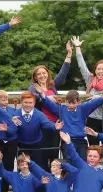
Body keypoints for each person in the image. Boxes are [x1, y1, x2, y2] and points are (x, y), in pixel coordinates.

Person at [71, 35, 103, 176]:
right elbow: (81, 65)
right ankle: (91, 175)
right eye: (98, 69)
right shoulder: (90, 79)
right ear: (95, 70)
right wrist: (78, 48)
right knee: (92, 149)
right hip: (92, 119)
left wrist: (98, 97)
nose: (100, 71)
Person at [34, 87, 103, 160]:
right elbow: (50, 105)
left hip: (81, 141)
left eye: (73, 103)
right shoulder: (61, 109)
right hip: (67, 141)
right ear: (65, 101)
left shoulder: (83, 109)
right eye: (69, 103)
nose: (71, 105)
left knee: (82, 162)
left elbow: (93, 104)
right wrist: (42, 95)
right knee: (69, 162)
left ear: (78, 102)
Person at [28, 42, 72, 171]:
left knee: (53, 152)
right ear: (35, 78)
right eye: (39, 74)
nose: (42, 75)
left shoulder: (52, 86)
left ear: (47, 74)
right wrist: (47, 98)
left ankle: (54, 176)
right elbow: (34, 99)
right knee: (43, 153)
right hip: (42, 124)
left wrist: (69, 54)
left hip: (55, 123)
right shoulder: (33, 87)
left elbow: (63, 73)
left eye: (44, 73)